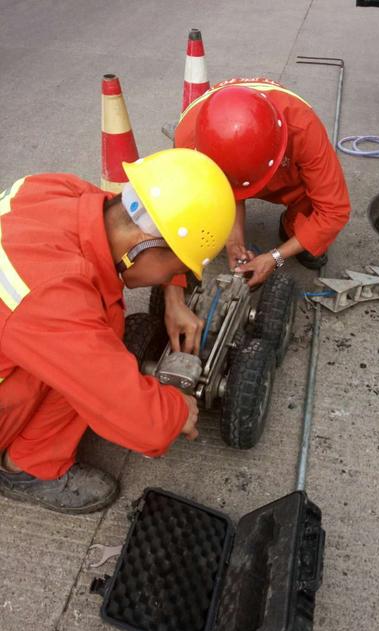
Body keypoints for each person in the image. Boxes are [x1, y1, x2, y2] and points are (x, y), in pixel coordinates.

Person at [0, 148, 235, 514]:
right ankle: (30, 468)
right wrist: (177, 409)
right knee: (99, 348)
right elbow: (144, 424)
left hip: (20, 324)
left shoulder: (57, 190)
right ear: (145, 245)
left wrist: (174, 300)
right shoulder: (52, 295)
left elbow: (145, 233)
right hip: (31, 323)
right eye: (175, 269)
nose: (171, 279)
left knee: (100, 326)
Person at [175, 77, 351, 287]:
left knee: (317, 206)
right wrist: (233, 241)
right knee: (199, 201)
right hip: (230, 172)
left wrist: (276, 257)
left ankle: (292, 224)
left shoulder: (303, 128)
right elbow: (224, 189)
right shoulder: (188, 139)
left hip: (286, 174)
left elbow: (334, 210)